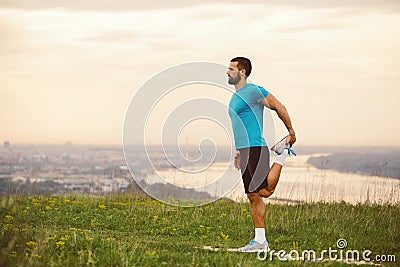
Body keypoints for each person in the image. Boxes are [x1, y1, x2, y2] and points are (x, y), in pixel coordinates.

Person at [227, 56, 297, 252]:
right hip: (246, 149)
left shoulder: (253, 91)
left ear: (242, 72)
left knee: (265, 191)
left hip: (256, 148)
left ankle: (282, 154)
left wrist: (291, 131)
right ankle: (260, 241)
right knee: (252, 195)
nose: (227, 72)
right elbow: (240, 125)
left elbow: (278, 107)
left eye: (231, 69)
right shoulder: (235, 97)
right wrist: (238, 151)